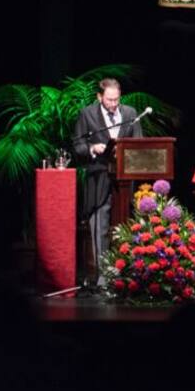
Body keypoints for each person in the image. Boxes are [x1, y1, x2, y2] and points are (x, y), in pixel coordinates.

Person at [72, 78, 143, 288]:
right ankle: (103, 276)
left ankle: (127, 272)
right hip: (99, 176)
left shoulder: (130, 114)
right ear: (99, 97)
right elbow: (77, 145)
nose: (113, 104)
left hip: (124, 180)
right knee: (100, 225)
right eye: (109, 100)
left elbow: (139, 143)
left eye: (116, 100)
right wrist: (93, 148)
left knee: (126, 225)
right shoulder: (87, 114)